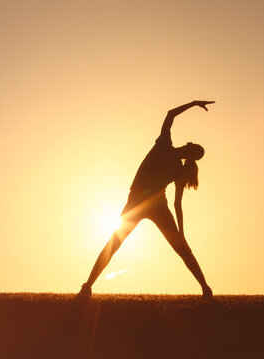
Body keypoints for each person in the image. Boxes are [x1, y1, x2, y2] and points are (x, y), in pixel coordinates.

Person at [76, 100, 215, 299]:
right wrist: (181, 234)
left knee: (113, 244)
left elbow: (170, 113)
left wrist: (193, 103)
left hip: (141, 202)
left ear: (189, 146)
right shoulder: (176, 161)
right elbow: (177, 204)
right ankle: (206, 289)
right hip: (153, 204)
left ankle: (87, 287)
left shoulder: (166, 147)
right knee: (178, 250)